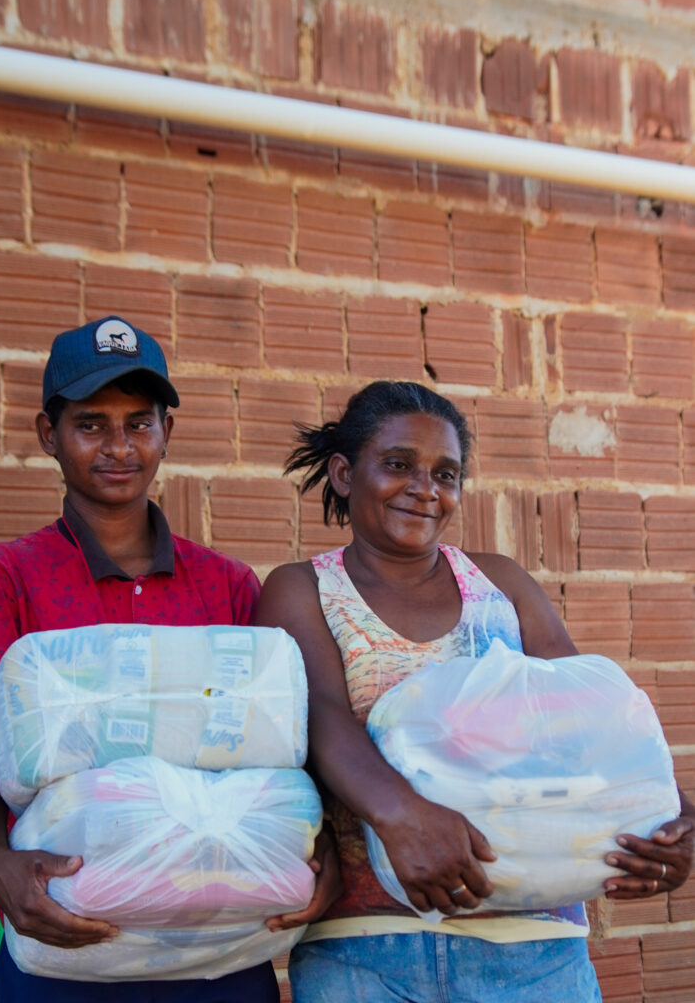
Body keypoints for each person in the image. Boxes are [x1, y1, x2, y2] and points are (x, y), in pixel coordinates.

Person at [0, 315, 336, 1003]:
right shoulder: (3, 576)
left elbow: (277, 743)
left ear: (165, 434)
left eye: (138, 424)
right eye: (90, 425)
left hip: (219, 939)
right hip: (69, 928)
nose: (118, 447)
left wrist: (313, 855)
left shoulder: (227, 584)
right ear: (46, 434)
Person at [255, 380, 695, 1003]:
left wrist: (667, 818)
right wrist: (403, 815)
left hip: (533, 947)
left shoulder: (501, 584)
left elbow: (593, 718)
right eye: (398, 465)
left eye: (446, 473)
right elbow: (320, 714)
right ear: (344, 474)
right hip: (367, 945)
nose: (424, 488)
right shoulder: (302, 590)